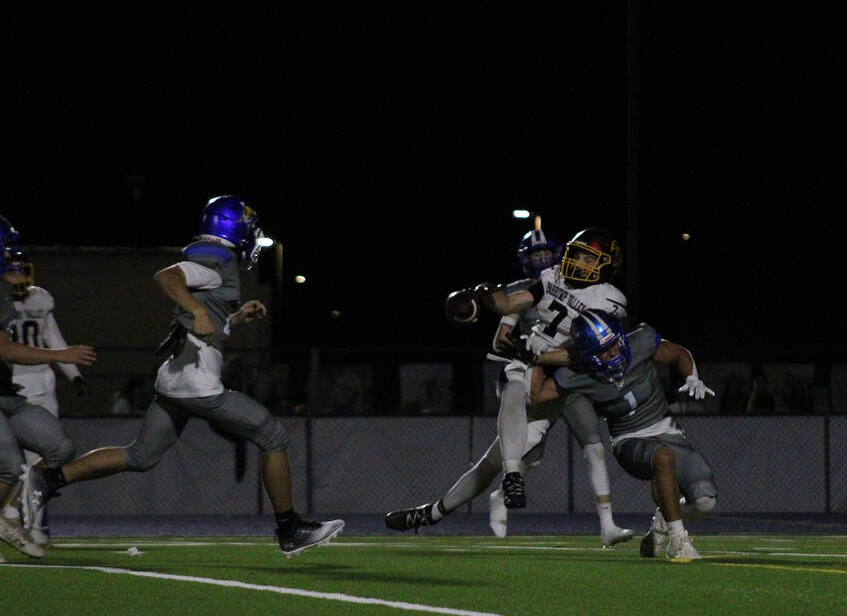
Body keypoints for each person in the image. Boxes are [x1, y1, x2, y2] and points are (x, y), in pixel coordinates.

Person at [18, 196, 344, 558]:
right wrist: (197, 311)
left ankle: (47, 478)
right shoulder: (216, 260)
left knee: (139, 456)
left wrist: (233, 318)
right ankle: (290, 529)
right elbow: (168, 277)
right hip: (196, 383)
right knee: (272, 434)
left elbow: (202, 316)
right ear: (233, 228)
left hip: (175, 380)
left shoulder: (214, 263)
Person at [386, 227, 635, 546]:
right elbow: (508, 305)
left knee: (494, 460)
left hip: (563, 375)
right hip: (530, 360)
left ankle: (445, 506)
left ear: (607, 265)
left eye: (589, 258)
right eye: (578, 254)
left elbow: (585, 352)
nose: (578, 262)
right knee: (513, 388)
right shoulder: (553, 277)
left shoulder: (610, 299)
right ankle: (501, 481)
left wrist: (538, 356)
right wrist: (485, 292)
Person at [528, 309, 718, 562]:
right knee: (663, 456)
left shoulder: (640, 342)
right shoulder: (578, 373)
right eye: (604, 350)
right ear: (588, 355)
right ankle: (677, 541)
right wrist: (537, 360)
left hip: (668, 430)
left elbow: (679, 353)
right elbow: (537, 395)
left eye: (615, 343)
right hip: (628, 439)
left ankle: (663, 521)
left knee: (705, 501)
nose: (614, 352)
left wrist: (692, 376)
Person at [0, 215, 97, 558]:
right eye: (7, 251)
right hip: (13, 382)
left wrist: (73, 373)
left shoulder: (31, 297)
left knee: (56, 451)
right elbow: (6, 349)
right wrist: (62, 358)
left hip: (17, 390)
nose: (13, 261)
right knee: (10, 464)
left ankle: (18, 518)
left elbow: (50, 336)